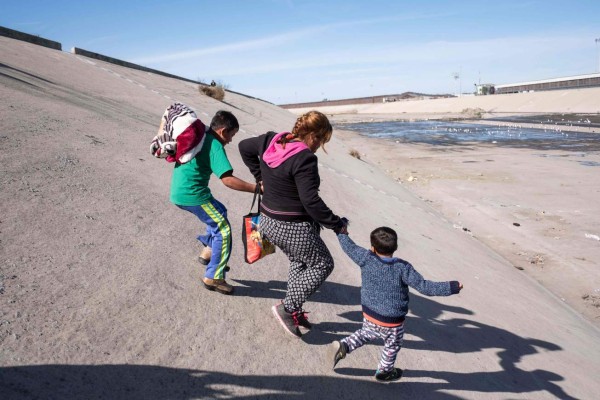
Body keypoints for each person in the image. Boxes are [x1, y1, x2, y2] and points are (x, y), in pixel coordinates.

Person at [238, 111, 348, 338]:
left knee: (299, 260)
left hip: (267, 222)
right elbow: (311, 201)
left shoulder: (271, 140)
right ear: (314, 136)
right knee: (322, 264)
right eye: (322, 140)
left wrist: (261, 177)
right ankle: (287, 308)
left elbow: (243, 147)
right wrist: (336, 223)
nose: (319, 146)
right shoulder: (305, 158)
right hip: (292, 226)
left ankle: (294, 309)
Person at [329, 227, 463, 382]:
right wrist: (451, 287)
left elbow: (349, 247)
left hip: (370, 313)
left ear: (372, 248)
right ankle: (384, 371)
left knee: (366, 333)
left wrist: (341, 230)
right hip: (393, 323)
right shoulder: (402, 267)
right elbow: (425, 287)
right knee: (392, 346)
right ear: (396, 247)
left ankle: (345, 345)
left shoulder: (366, 257)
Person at [171, 110, 257, 295]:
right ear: (223, 131)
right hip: (193, 195)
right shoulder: (215, 145)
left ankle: (209, 252)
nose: (231, 140)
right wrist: (256, 188)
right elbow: (227, 180)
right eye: (232, 135)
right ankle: (214, 277)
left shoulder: (202, 136)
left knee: (220, 211)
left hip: (181, 190)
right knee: (223, 229)